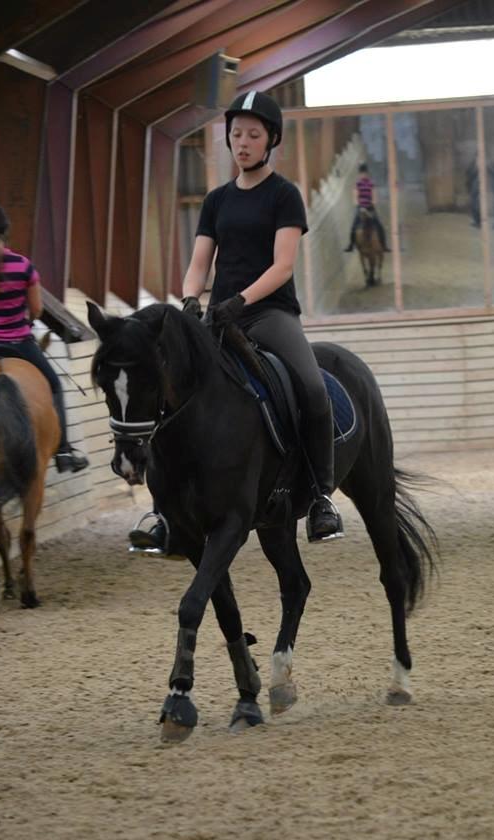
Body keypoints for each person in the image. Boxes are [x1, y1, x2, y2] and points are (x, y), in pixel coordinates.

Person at [129, 90, 343, 556]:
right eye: (235, 134)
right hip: (217, 318)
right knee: (170, 394)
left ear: (271, 140)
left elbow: (283, 265)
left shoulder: (285, 196)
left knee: (311, 388)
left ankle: (323, 496)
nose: (242, 142)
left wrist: (240, 301)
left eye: (252, 134)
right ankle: (163, 509)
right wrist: (190, 299)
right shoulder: (217, 199)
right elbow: (200, 261)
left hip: (269, 314)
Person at [0, 201, 89, 474]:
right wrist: (21, 324)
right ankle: (63, 451)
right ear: (5, 231)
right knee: (53, 386)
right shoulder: (23, 266)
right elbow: (37, 309)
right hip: (18, 343)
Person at [343, 163, 391, 253]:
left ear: (367, 173)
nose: (363, 175)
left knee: (379, 226)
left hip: (370, 207)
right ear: (359, 174)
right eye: (362, 173)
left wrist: (370, 205)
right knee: (354, 226)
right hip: (360, 208)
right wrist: (360, 206)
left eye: (364, 173)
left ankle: (384, 245)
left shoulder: (371, 184)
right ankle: (351, 245)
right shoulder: (357, 185)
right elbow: (355, 198)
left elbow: (374, 197)